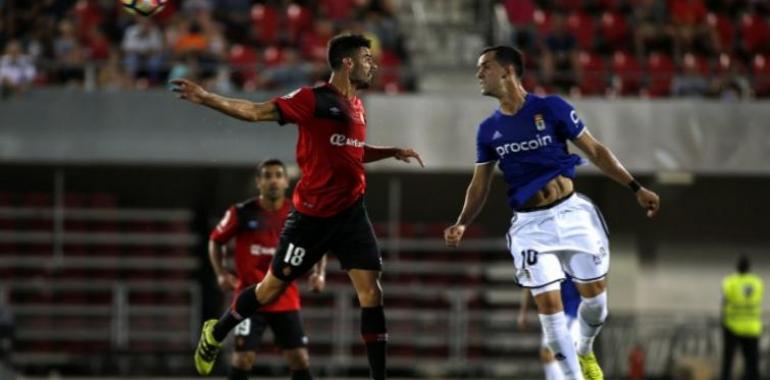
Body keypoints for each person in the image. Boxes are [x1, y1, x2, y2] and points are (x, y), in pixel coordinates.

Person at [171, 34, 424, 379]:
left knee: (372, 291)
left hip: (351, 214)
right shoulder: (312, 100)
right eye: (367, 57)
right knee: (268, 290)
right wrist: (206, 98)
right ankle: (216, 332)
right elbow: (256, 111)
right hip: (311, 218)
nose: (374, 63)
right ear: (347, 63)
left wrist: (390, 152)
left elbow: (351, 152)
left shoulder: (358, 106)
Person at [444, 46, 660, 380]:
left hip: (572, 215)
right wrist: (461, 222)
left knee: (597, 306)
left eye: (485, 67)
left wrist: (635, 187)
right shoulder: (488, 130)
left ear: (507, 71)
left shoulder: (551, 108)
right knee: (550, 312)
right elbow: (479, 185)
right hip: (531, 227)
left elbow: (597, 151)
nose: (478, 74)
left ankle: (585, 349)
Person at [209, 159, 324, 380]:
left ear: (286, 181)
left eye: (278, 175)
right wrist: (221, 273)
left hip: (285, 299)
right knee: (242, 360)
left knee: (300, 359)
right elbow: (215, 241)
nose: (273, 180)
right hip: (249, 301)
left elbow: (319, 243)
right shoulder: (242, 213)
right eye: (268, 176)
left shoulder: (298, 214)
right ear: (259, 182)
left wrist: (319, 273)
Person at [518, 277, 581, 380]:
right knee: (546, 355)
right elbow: (528, 281)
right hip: (552, 312)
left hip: (571, 312)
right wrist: (523, 311)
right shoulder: (540, 263)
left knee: (557, 353)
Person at [720, 256, 763, 380]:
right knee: (752, 362)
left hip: (732, 326)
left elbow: (725, 301)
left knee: (728, 360)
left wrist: (723, 319)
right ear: (749, 268)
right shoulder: (757, 282)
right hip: (752, 327)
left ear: (737, 267)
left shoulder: (730, 281)